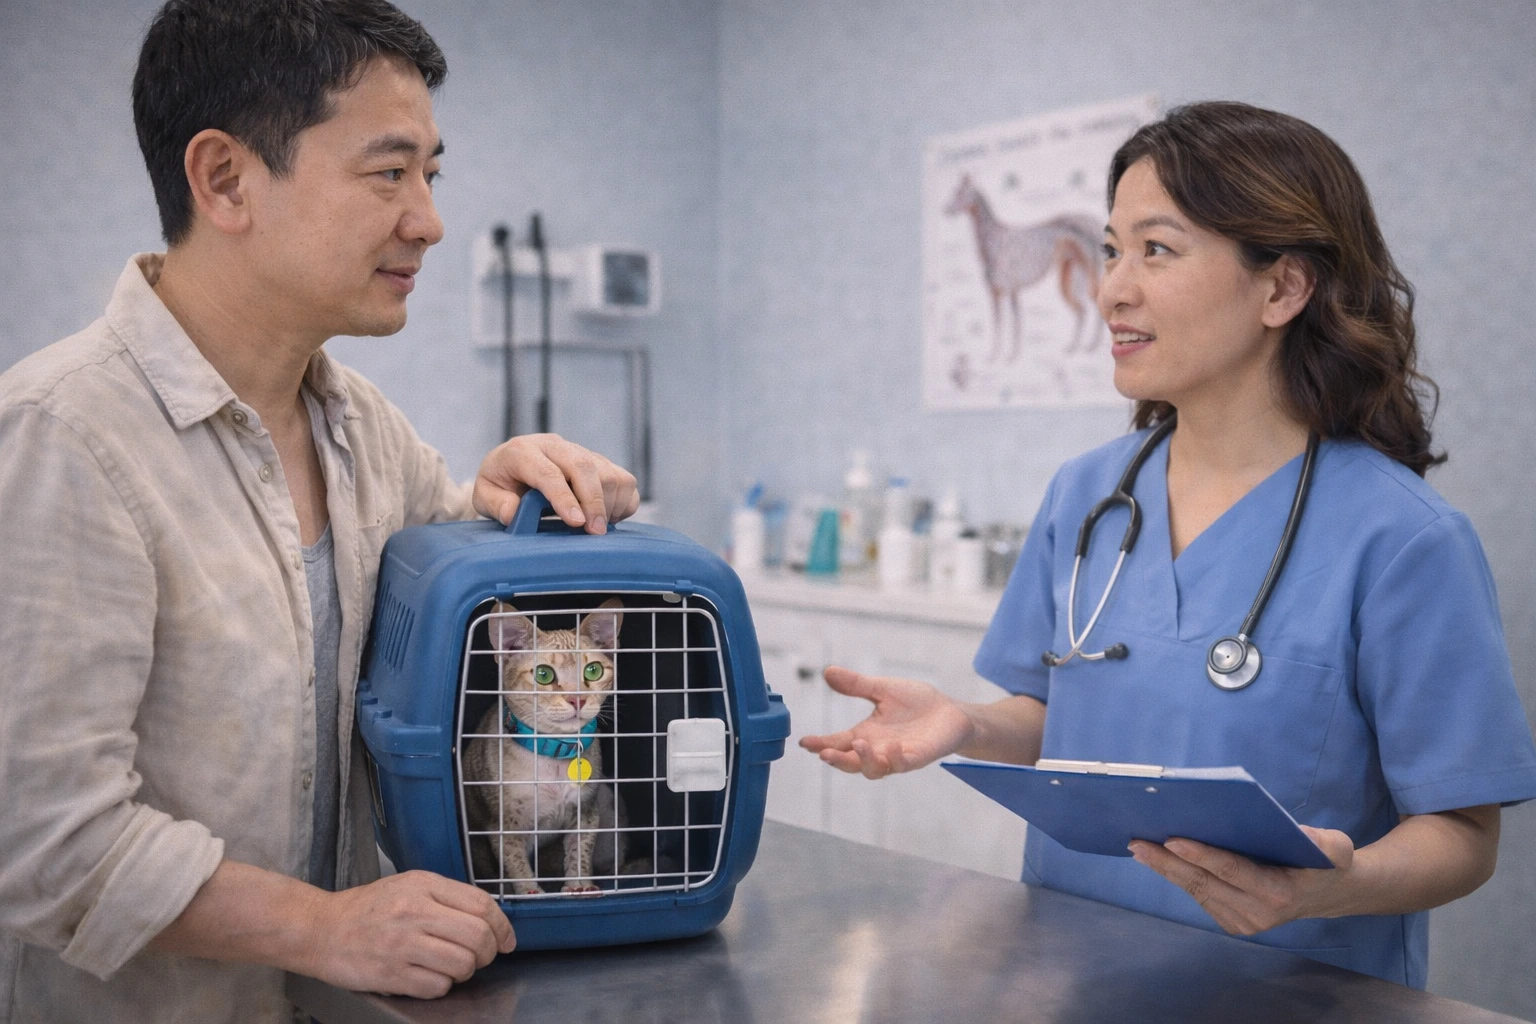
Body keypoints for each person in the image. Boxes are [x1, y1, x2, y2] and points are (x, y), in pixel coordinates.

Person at [0, 1, 639, 1020]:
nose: (428, 217)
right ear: (225, 180)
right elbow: (41, 838)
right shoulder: (60, 436)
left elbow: (470, 610)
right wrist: (327, 928)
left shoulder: (363, 429)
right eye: (389, 173)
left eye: (433, 173)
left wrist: (524, 492)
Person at [803, 101, 1536, 989]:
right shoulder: (1087, 493)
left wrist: (1328, 890)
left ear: (1282, 288)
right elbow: (1066, 717)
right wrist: (968, 723)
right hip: (1069, 971)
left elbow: (1463, 836)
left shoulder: (1405, 540)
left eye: (1157, 249)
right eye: (1112, 249)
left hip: (1289, 996)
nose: (1112, 287)